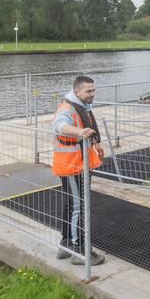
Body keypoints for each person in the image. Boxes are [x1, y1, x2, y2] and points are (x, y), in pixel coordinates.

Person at [52, 75, 105, 266]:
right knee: (78, 207)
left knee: (72, 205)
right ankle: (79, 250)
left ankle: (65, 244)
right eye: (88, 91)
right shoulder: (68, 109)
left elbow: (88, 126)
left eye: (94, 90)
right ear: (77, 92)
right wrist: (79, 132)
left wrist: (95, 143)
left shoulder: (82, 106)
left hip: (78, 164)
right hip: (72, 166)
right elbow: (58, 126)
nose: (93, 94)